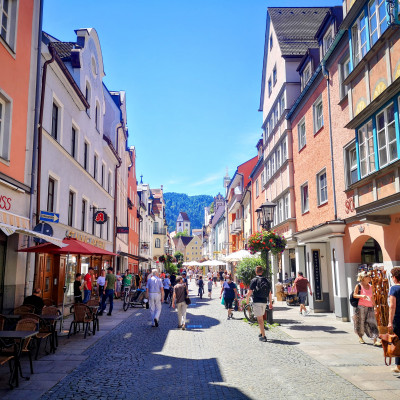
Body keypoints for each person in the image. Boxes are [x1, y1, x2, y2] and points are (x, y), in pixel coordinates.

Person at [352, 271, 380, 345]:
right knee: (360, 323)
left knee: (372, 323)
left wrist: (375, 307)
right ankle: (360, 337)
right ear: (364, 278)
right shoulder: (359, 286)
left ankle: (375, 340)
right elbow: (354, 295)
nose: (370, 278)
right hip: (361, 307)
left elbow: (372, 297)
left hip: (370, 307)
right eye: (368, 276)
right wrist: (362, 296)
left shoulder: (371, 286)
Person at [246, 266, 273, 342]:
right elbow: (269, 293)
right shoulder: (266, 280)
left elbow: (250, 292)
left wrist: (247, 299)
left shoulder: (254, 280)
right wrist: (270, 303)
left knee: (260, 319)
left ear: (256, 271)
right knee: (261, 318)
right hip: (264, 301)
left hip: (257, 301)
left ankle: (264, 336)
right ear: (262, 272)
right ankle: (261, 333)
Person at [388, 267, 400, 373]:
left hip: (398, 319)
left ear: (395, 277)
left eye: (392, 276)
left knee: (397, 341)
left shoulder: (394, 289)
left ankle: (399, 366)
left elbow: (392, 306)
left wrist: (390, 322)